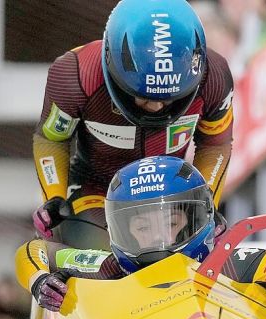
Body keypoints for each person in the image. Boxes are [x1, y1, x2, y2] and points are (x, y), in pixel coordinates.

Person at [16, 156, 266, 311]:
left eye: (170, 222)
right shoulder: (109, 266)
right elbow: (35, 251)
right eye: (141, 226)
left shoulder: (231, 263)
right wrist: (38, 282)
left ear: (197, 219)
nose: (158, 238)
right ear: (119, 229)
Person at [31, 0, 235, 249]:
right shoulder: (75, 75)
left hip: (169, 198)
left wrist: (206, 202)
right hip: (96, 193)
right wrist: (54, 196)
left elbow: (215, 144)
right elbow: (52, 138)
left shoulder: (214, 77)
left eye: (170, 97)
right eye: (144, 96)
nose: (156, 107)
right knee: (103, 259)